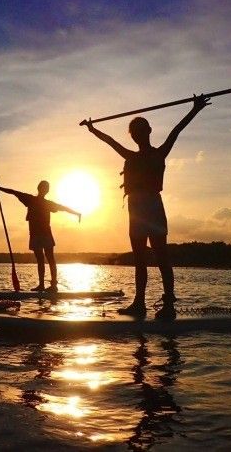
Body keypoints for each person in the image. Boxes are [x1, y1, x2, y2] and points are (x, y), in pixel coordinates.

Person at [83, 95, 210, 319]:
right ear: (134, 136)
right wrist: (93, 130)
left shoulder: (158, 153)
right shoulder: (133, 156)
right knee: (141, 259)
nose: (137, 134)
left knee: (160, 257)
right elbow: (110, 141)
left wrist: (195, 109)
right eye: (135, 132)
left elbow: (177, 130)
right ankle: (140, 303)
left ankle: (167, 305)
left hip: (151, 207)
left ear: (148, 131)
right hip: (137, 210)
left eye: (140, 131)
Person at [0, 180, 81, 292]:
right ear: (41, 189)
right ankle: (43, 285)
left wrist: (77, 213)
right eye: (44, 188)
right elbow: (14, 192)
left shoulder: (39, 201)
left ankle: (52, 285)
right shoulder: (31, 199)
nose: (45, 190)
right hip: (37, 234)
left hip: (43, 234)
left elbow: (63, 207)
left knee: (48, 259)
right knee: (44, 259)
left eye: (46, 188)